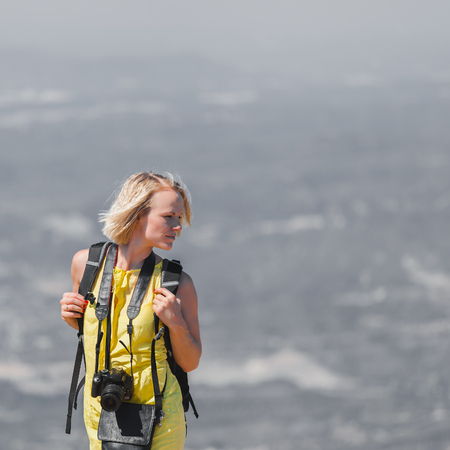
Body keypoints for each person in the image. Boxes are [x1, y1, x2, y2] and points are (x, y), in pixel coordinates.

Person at [60, 172, 201, 450]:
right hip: (102, 414)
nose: (177, 227)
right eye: (168, 217)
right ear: (138, 214)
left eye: (180, 219)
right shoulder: (86, 265)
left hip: (160, 421)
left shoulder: (176, 284)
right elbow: (97, 334)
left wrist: (175, 324)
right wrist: (70, 317)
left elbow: (190, 362)